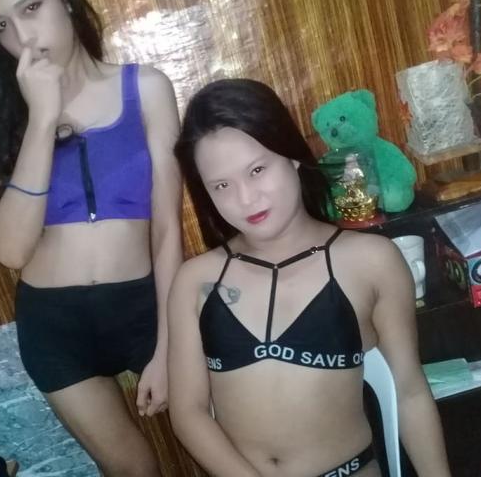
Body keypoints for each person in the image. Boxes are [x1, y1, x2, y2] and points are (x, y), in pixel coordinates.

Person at [169, 79, 451, 477]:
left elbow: (410, 392)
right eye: (222, 185)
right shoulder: (195, 280)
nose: (246, 199)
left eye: (257, 170)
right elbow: (189, 412)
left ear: (292, 156)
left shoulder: (371, 261)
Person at [0, 0, 183, 475]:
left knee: (225, 435)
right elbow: (11, 250)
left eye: (31, 7)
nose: (23, 37)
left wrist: (167, 348)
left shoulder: (146, 88)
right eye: (1, 25)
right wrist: (41, 119)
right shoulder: (8, 117)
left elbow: (167, 229)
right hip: (55, 326)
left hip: (143, 308)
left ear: (66, 3)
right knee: (135, 471)